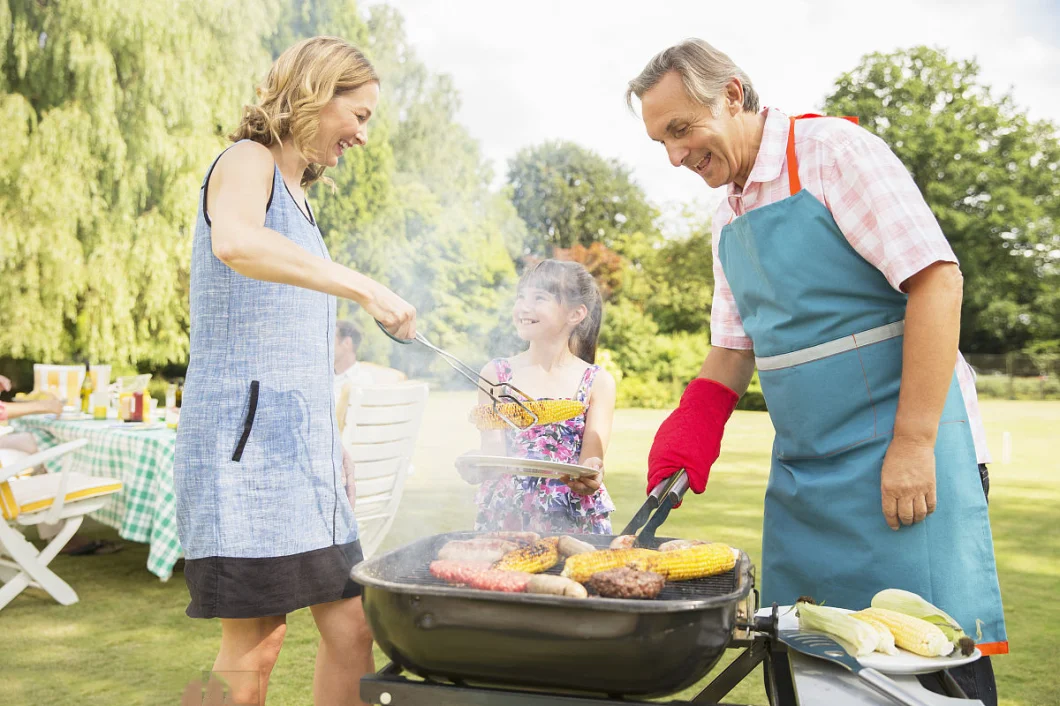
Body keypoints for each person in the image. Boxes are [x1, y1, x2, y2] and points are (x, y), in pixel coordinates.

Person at [626, 39, 1005, 704]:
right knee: (809, 664)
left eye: (681, 129)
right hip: (807, 473)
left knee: (930, 658)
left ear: (734, 95)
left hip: (903, 456)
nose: (675, 155)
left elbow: (937, 282)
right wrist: (690, 435)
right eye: (661, 140)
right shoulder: (726, 218)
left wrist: (914, 442)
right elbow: (733, 349)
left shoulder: (834, 153)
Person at [173, 36, 416, 706]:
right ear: (314, 91)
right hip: (242, 458)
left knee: (352, 628)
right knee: (255, 646)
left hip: (303, 462)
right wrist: (363, 287)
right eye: (359, 115)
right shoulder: (246, 162)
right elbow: (236, 240)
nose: (363, 135)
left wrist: (328, 439)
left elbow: (290, 342)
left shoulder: (302, 202)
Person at [461, 260, 617, 534]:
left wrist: (592, 473)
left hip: (572, 516)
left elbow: (591, 460)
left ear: (575, 314)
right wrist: (477, 465)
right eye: (521, 297)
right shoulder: (496, 375)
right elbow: (494, 453)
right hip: (508, 515)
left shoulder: (596, 382)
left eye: (539, 298)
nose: (523, 306)